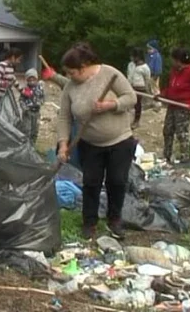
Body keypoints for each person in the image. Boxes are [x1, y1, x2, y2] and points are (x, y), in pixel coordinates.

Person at [56, 42, 137, 240]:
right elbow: (64, 117)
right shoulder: (70, 87)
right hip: (90, 144)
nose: (69, 77)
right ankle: (89, 222)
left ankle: (114, 220)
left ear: (83, 67)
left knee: (117, 182)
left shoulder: (109, 73)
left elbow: (131, 97)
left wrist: (111, 105)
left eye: (72, 72)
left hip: (120, 140)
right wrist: (63, 143)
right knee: (91, 183)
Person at [157, 47, 190, 163]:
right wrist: (162, 94)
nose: (172, 62)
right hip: (173, 104)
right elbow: (172, 87)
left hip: (184, 106)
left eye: (173, 60)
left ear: (178, 60)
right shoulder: (175, 70)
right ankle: (167, 156)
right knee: (168, 130)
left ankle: (185, 157)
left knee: (181, 132)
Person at [127, 48, 153, 129]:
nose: (132, 58)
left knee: (137, 104)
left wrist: (147, 90)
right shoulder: (131, 65)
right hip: (130, 87)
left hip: (140, 88)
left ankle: (136, 120)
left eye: (134, 56)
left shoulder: (145, 67)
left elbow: (147, 79)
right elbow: (129, 74)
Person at [20, 68, 44, 144]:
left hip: (37, 113)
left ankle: (32, 145)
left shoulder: (40, 88)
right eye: (29, 80)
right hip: (27, 112)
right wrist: (24, 107)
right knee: (27, 130)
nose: (31, 82)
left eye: (33, 80)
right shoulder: (25, 89)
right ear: (27, 80)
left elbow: (43, 98)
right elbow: (21, 100)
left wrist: (40, 102)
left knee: (35, 130)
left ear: (36, 79)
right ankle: (25, 146)